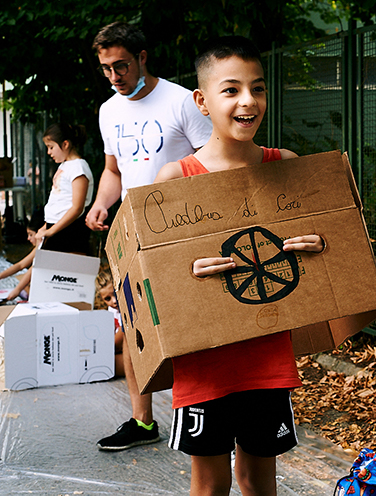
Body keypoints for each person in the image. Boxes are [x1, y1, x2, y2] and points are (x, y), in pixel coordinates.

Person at [155, 36, 323, 496]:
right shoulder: (175, 180)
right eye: (231, 90)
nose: (248, 101)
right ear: (202, 101)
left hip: (266, 357)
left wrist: (318, 243)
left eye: (258, 88)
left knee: (257, 481)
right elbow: (155, 280)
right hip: (203, 364)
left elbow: (332, 252)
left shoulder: (286, 167)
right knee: (209, 486)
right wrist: (186, 271)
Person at [87, 21, 212, 452]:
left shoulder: (181, 102)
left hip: (180, 233)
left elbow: (211, 162)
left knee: (184, 326)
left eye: (120, 65)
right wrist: (102, 204)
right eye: (106, 69)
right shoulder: (109, 110)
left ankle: (203, 413)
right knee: (134, 323)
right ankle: (142, 423)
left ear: (142, 58)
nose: (114, 76)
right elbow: (113, 171)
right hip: (131, 235)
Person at [37, 123, 94, 254]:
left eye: (51, 147)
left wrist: (51, 230)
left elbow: (77, 207)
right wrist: (46, 227)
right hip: (57, 227)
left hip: (69, 230)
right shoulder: (66, 165)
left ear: (65, 144)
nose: (48, 152)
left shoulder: (78, 167)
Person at [0, 210, 44, 302]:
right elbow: (20, 265)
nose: (28, 238)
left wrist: (17, 290)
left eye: (31, 234)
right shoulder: (38, 248)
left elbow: (32, 269)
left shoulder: (43, 248)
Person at [95, 267, 124, 377]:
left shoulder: (126, 309)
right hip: (118, 351)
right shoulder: (112, 310)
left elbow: (115, 344)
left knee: (103, 366)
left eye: (115, 294)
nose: (114, 301)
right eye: (108, 299)